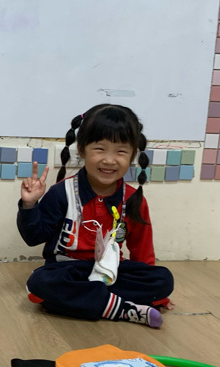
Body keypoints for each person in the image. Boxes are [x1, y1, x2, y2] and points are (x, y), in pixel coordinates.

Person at [16, 104, 173, 327]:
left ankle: (91, 302)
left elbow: (142, 249)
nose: (109, 160)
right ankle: (121, 307)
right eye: (100, 149)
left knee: (163, 279)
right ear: (82, 150)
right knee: (40, 282)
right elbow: (33, 237)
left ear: (132, 155)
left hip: (111, 271)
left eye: (121, 151)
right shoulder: (62, 192)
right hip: (68, 270)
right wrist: (29, 205)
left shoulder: (133, 199)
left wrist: (158, 293)